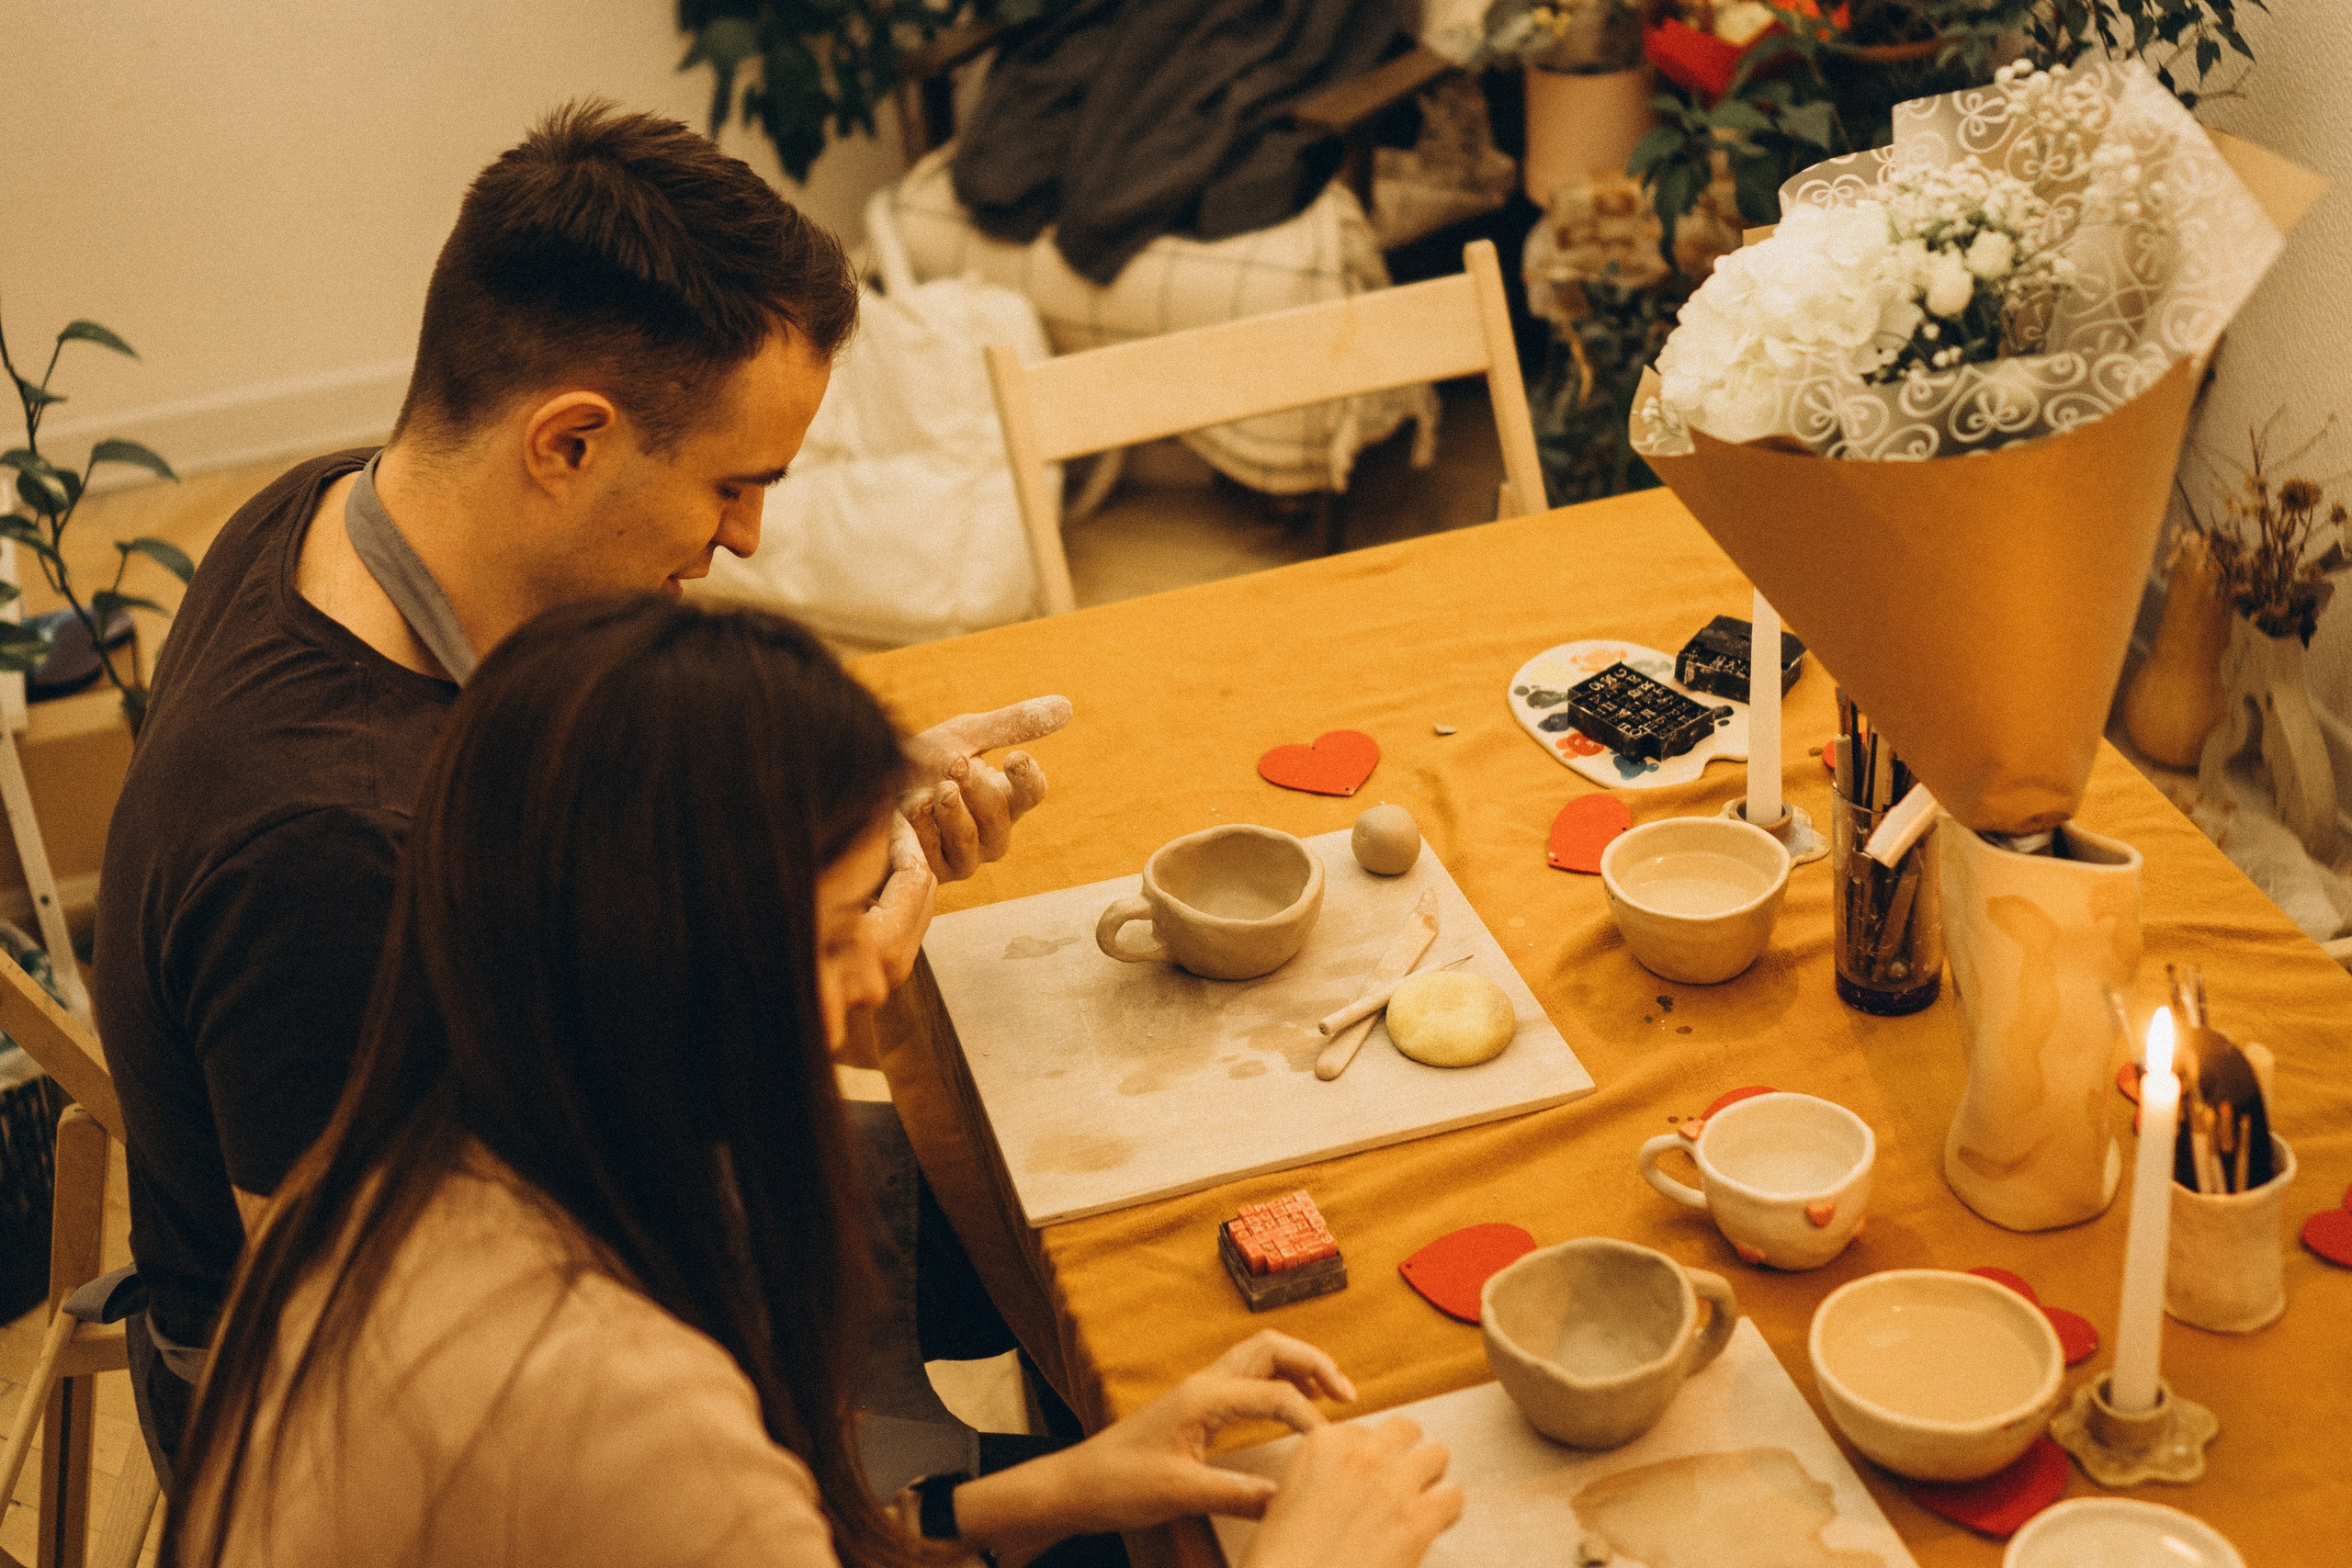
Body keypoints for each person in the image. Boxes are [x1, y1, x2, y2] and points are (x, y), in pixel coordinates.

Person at [93, 100, 1059, 1482]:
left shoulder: (344, 509)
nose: (747, 539)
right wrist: (797, 993)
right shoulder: (328, 854)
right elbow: (401, 1371)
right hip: (385, 1412)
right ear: (567, 443)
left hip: (509, 1187)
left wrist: (812, 817)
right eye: (733, 485)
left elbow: (550, 816)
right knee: (1061, 1463)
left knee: (1061, 1222)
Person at [164, 595, 1463, 1568]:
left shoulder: (407, 1157)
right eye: (842, 928)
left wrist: (1056, 1489)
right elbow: (686, 1504)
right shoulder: (614, 1395)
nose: (873, 985)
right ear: (684, 959)